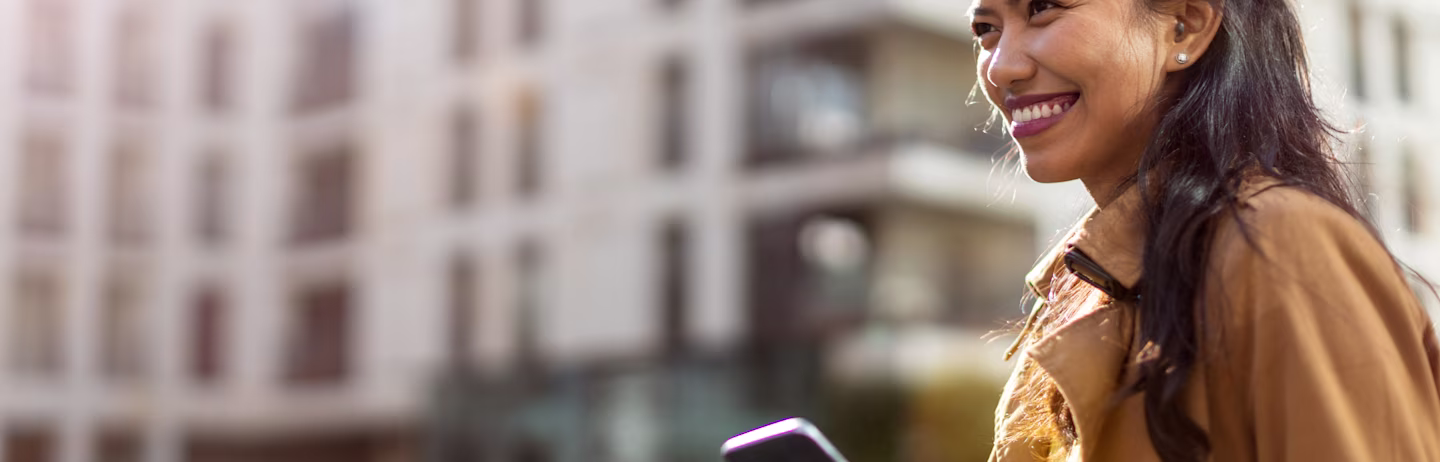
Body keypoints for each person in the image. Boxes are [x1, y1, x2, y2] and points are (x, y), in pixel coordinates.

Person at [967, 0, 1440, 459]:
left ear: (1184, 26)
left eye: (1044, 7)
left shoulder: (1280, 245)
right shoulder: (1084, 289)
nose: (1000, 67)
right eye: (986, 29)